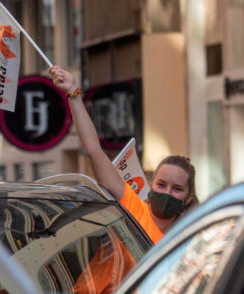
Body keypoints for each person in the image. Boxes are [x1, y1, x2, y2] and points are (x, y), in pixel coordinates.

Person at [49, 66, 199, 244]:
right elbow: (94, 151)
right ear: (151, 186)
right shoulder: (134, 208)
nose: (167, 193)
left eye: (177, 189)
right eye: (161, 184)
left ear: (188, 198)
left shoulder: (188, 242)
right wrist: (73, 93)